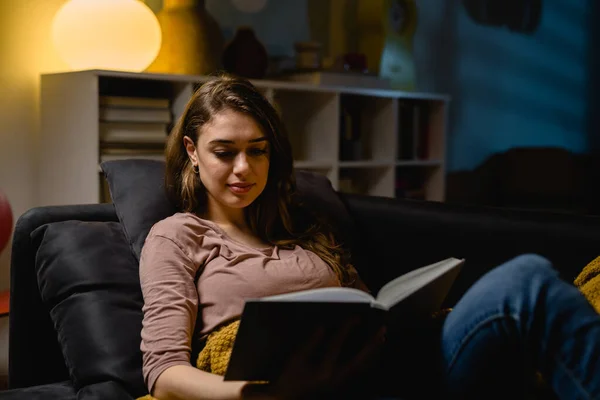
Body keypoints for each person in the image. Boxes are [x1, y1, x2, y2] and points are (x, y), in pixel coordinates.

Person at [138, 75, 600, 400]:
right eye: (225, 152)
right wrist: (251, 395)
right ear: (192, 152)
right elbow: (163, 371)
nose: (244, 168)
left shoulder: (304, 227)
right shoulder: (178, 236)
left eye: (257, 152)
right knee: (526, 281)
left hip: (398, 364)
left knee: (533, 281)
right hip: (315, 385)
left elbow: (368, 311)